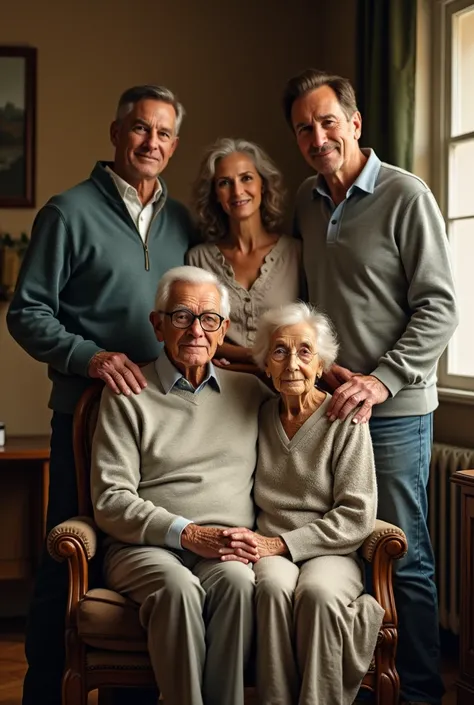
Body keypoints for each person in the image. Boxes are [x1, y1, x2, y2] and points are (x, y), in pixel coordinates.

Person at [7, 84, 195, 705]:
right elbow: (27, 314)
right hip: (85, 417)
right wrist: (91, 357)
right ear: (115, 133)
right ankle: (42, 692)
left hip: (163, 422)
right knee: (70, 555)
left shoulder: (184, 221)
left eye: (165, 133)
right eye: (141, 129)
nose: (152, 143)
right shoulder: (68, 212)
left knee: (143, 553)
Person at [282, 68, 458, 705]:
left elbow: (439, 307)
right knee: (344, 552)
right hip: (327, 404)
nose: (317, 135)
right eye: (304, 127)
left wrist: (381, 382)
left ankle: (416, 692)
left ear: (355, 123)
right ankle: (355, 686)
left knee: (401, 552)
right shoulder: (305, 198)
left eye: (328, 121)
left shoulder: (407, 196)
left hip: (395, 409)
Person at [91, 265, 272, 705]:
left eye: (209, 319)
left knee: (236, 583)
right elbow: (111, 500)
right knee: (179, 588)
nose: (196, 330)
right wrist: (187, 533)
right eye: (181, 316)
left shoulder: (252, 392)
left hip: (224, 549)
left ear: (224, 328)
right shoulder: (126, 393)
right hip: (143, 549)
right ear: (157, 324)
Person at [223, 302, 384, 705]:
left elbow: (358, 514)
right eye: (279, 351)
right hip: (268, 546)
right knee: (272, 587)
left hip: (331, 549)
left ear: (321, 364)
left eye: (304, 352)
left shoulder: (345, 420)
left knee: (317, 594)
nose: (292, 363)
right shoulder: (257, 416)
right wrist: (267, 545)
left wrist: (282, 544)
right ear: (266, 364)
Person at [187, 137, 304, 371]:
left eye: (246, 178)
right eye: (224, 183)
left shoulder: (296, 253)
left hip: (286, 383)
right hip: (222, 383)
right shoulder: (198, 260)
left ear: (263, 184)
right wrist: (258, 357)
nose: (237, 191)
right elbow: (198, 335)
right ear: (215, 194)